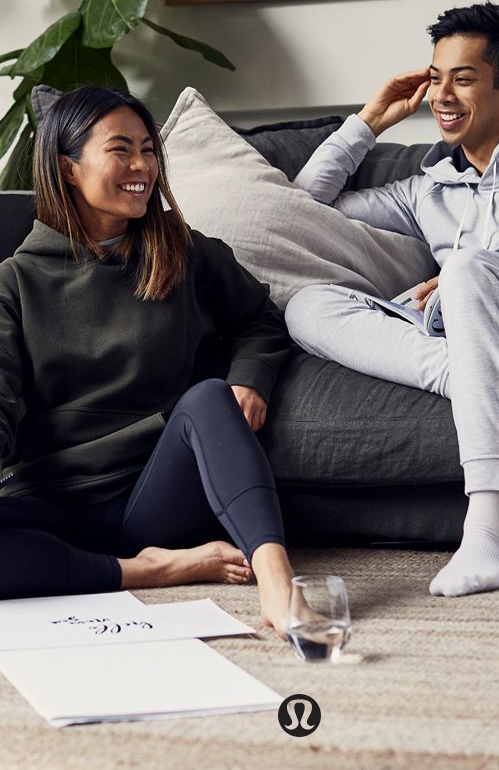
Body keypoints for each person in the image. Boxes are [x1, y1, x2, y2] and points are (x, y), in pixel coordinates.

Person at [285, 2, 499, 598]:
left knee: (469, 270)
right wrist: (369, 123)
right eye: (435, 77)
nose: (442, 95)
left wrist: (477, 275)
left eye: (463, 78)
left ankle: (487, 530)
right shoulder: (426, 191)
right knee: (308, 306)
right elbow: (303, 212)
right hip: (464, 331)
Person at [0, 85, 294, 636]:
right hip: (52, 503)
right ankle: (149, 572)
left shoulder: (181, 251)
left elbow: (261, 318)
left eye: (149, 150)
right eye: (121, 150)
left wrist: (249, 379)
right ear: (67, 168)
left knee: (207, 397)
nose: (143, 166)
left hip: (153, 495)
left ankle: (276, 580)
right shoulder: (15, 283)